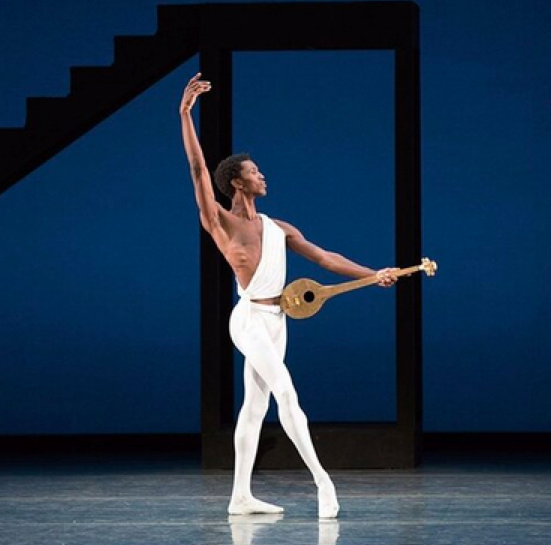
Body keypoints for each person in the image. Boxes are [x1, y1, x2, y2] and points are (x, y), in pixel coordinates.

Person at [179, 73, 398, 519]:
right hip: (248, 320)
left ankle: (240, 497)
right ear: (237, 183)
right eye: (254, 171)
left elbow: (323, 257)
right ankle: (324, 481)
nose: (263, 175)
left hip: (279, 321)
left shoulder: (279, 228)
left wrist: (374, 273)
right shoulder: (221, 222)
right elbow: (199, 171)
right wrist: (185, 114)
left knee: (255, 408)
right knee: (286, 391)